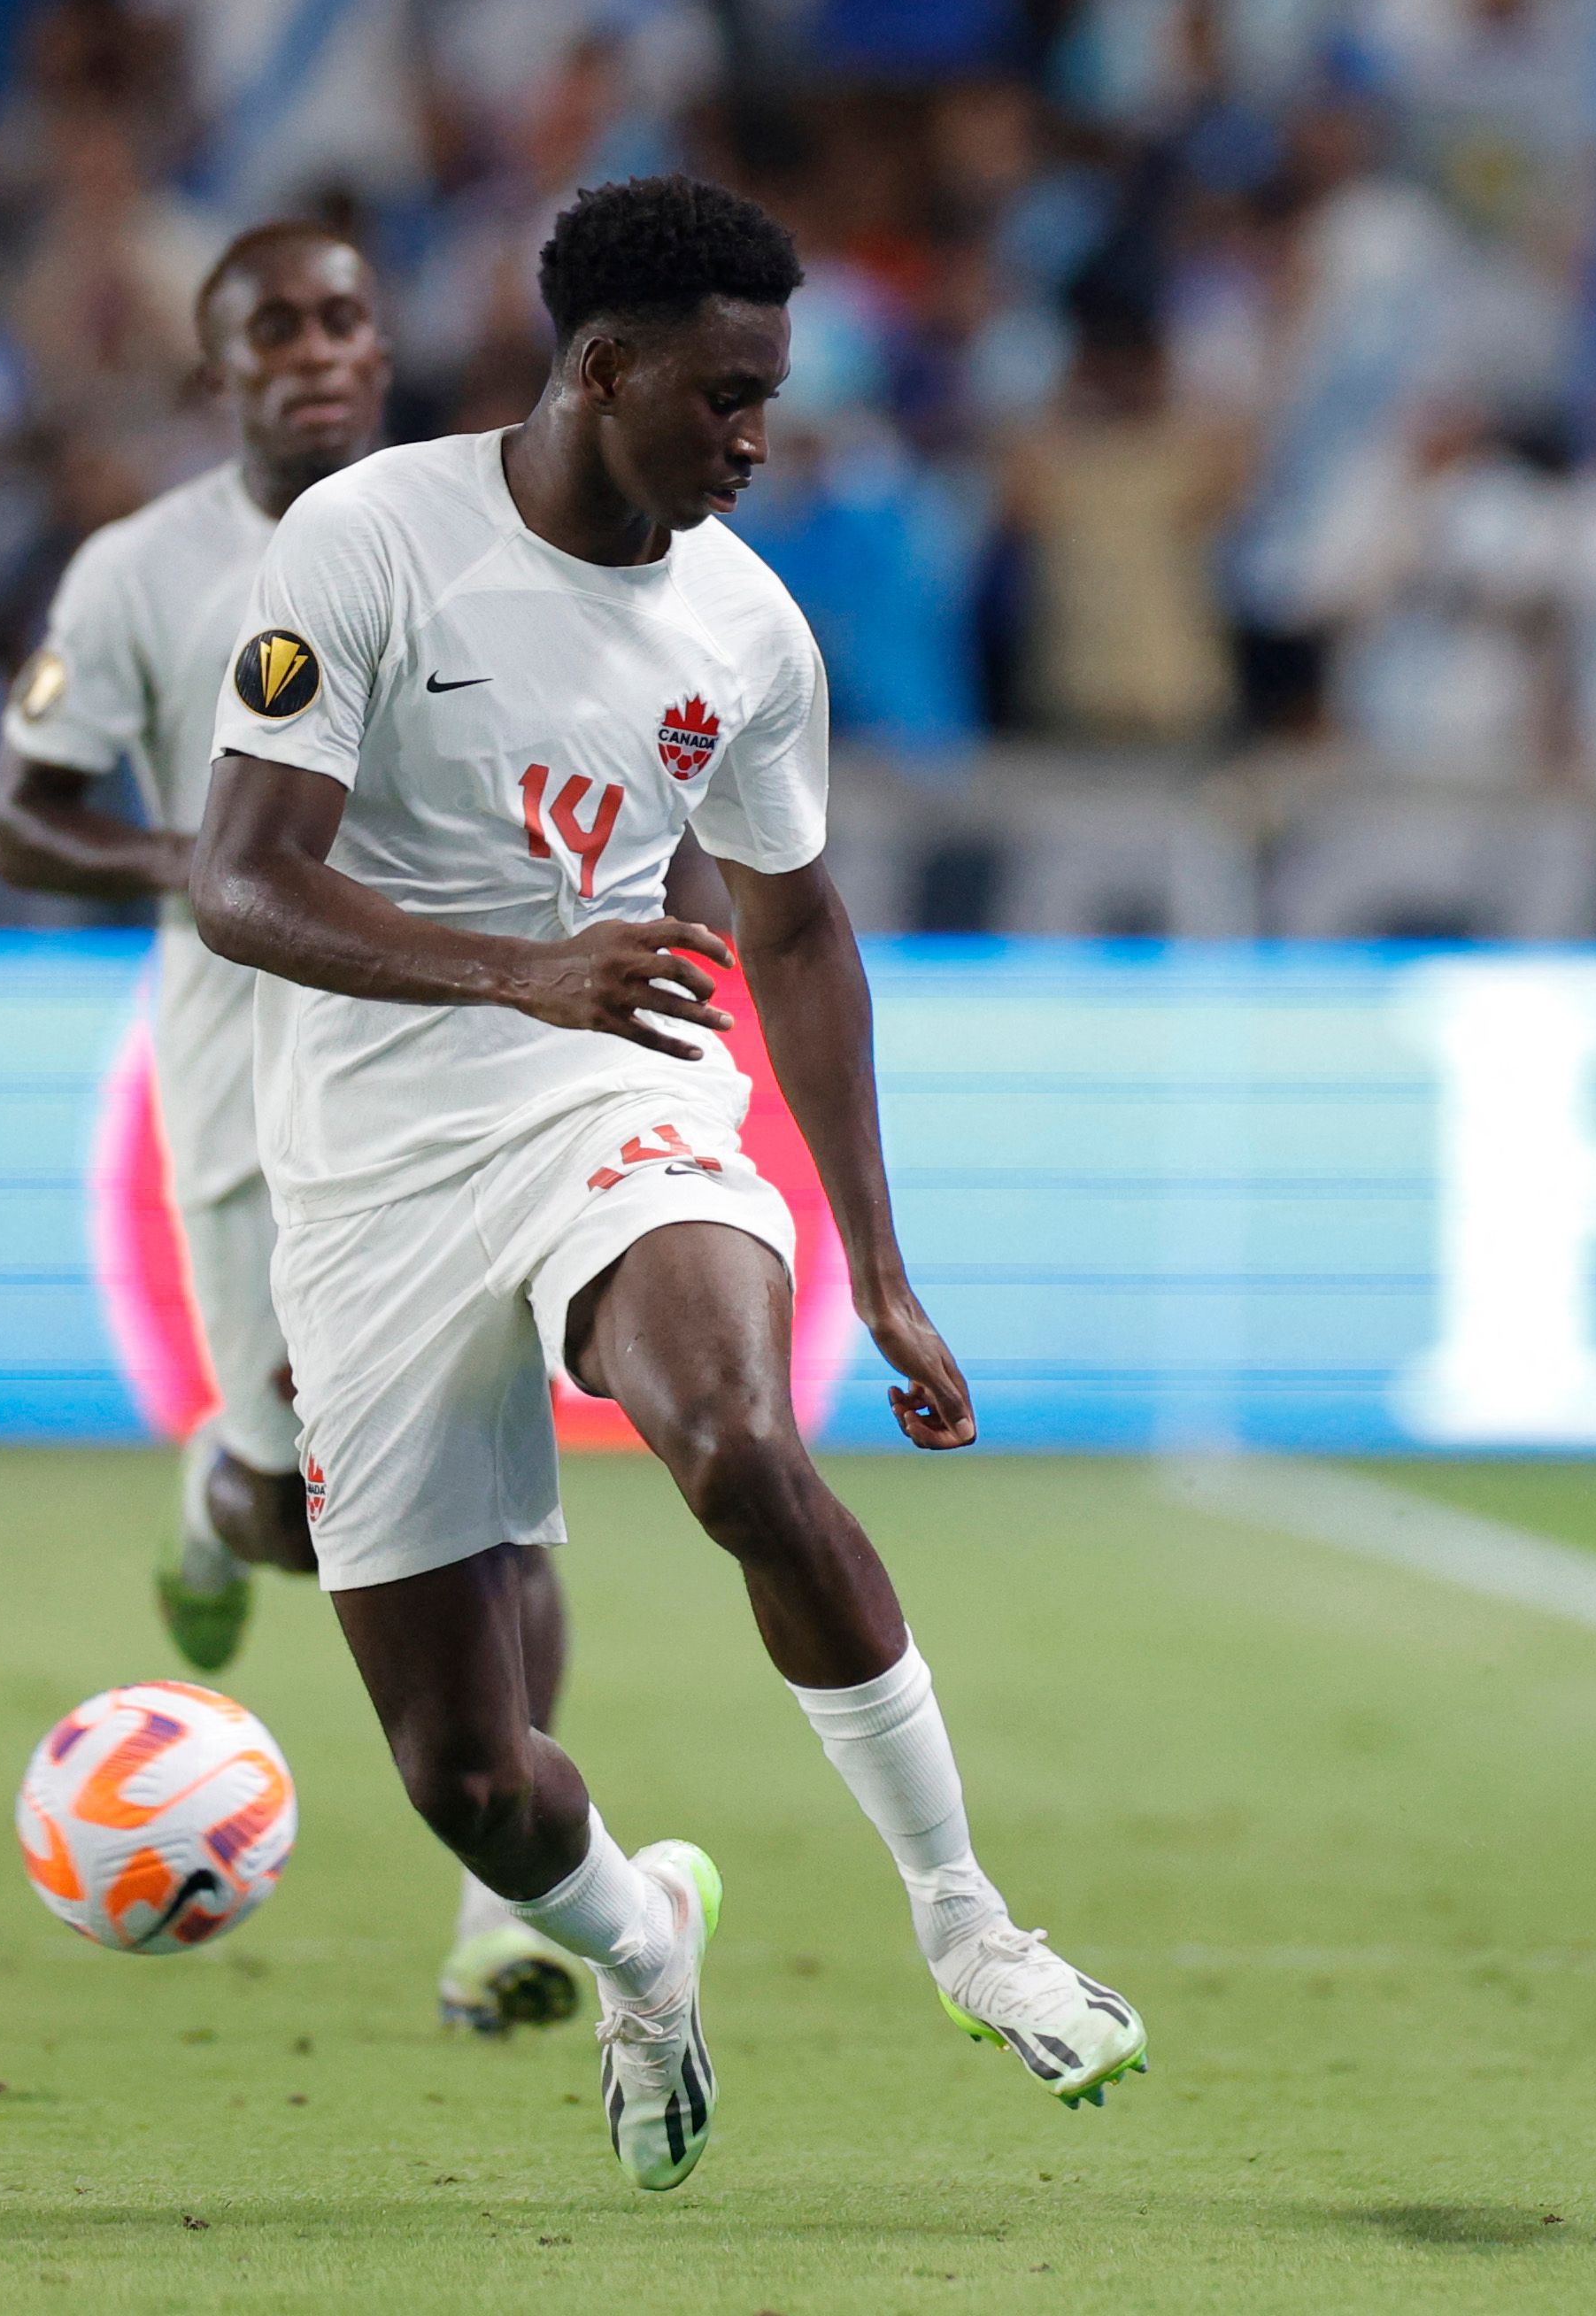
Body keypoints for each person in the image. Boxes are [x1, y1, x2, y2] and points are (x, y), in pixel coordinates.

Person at [187, 174, 1145, 2193]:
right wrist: (518, 957)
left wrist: (877, 1263)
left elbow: (796, 935)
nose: (757, 438)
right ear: (601, 367)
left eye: (771, 396)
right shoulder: (364, 543)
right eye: (724, 395)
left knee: (729, 1431)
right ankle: (643, 1944)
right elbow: (242, 880)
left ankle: (968, 1916)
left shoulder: (746, 622)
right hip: (366, 1171)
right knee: (467, 1776)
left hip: (610, 1094)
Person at [0, 225, 588, 2041]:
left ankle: (508, 1902)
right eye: (276, 331)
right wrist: (215, 861)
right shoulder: (141, 570)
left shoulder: (491, 537)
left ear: (384, 344)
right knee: (300, 1503)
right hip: (251, 1069)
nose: (317, 352)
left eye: (343, 319)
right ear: (217, 370)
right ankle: (220, 1492)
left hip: (460, 1057)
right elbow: (25, 818)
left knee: (493, 1507)